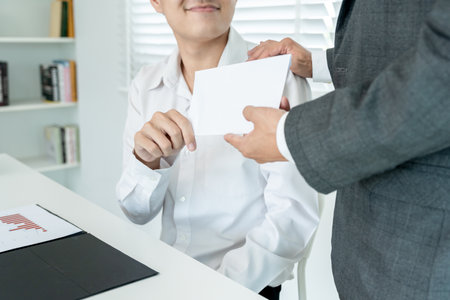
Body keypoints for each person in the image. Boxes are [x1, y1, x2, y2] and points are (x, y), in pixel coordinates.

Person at [225, 0, 450, 299]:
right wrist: (316, 63)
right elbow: (394, 40)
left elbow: (440, 78)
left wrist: (288, 136)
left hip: (422, 253)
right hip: (364, 249)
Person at [116, 1, 319, 299]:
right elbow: (135, 212)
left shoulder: (280, 77)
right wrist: (147, 163)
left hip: (245, 287)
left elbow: (292, 218)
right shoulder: (145, 84)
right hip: (166, 277)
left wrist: (217, 289)